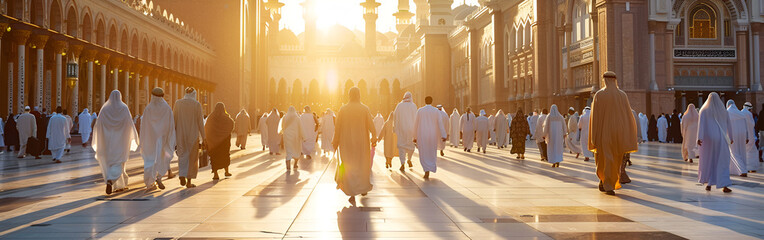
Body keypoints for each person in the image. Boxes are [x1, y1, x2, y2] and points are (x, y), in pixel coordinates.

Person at [589, 71, 638, 196]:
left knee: (603, 158)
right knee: (615, 159)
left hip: (603, 132)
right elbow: (629, 116)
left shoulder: (599, 95)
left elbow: (595, 117)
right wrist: (628, 133)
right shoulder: (622, 95)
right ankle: (609, 182)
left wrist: (594, 136)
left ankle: (605, 182)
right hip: (618, 133)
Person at [332, 87, 376, 205]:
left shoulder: (343, 109)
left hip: (346, 143)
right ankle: (362, 188)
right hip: (362, 142)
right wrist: (374, 137)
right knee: (361, 165)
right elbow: (371, 126)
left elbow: (338, 127)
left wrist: (335, 141)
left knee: (349, 165)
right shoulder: (364, 109)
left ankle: (351, 192)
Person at [93, 90, 139, 195]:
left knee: (110, 163)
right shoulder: (124, 108)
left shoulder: (104, 109)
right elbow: (129, 124)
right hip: (121, 141)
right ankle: (111, 180)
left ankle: (119, 185)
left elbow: (98, 125)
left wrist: (102, 138)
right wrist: (130, 137)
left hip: (107, 142)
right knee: (119, 162)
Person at [140, 88, 175, 192]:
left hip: (150, 139)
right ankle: (159, 177)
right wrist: (170, 138)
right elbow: (171, 126)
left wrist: (143, 140)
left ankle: (150, 183)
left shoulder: (148, 109)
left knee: (150, 160)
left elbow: (144, 126)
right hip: (162, 139)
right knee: (161, 158)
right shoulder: (167, 108)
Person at [697, 92, 733, 193]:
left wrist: (699, 138)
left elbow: (701, 125)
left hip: (708, 139)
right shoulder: (723, 111)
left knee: (709, 160)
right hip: (721, 139)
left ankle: (708, 184)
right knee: (722, 161)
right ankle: (724, 185)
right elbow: (729, 124)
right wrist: (731, 137)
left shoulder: (704, 110)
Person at [174, 87, 206, 188]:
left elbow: (174, 120)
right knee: (192, 159)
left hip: (180, 135)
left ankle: (182, 174)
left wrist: (172, 135)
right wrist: (204, 138)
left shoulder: (178, 103)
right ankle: (188, 181)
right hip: (193, 136)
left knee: (182, 155)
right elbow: (200, 123)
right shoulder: (196, 105)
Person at [413, 96, 447, 179]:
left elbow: (416, 124)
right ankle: (430, 166)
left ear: (425, 101)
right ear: (432, 101)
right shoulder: (436, 111)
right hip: (432, 135)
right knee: (431, 151)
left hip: (422, 134)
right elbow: (440, 124)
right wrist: (444, 135)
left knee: (424, 152)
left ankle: (426, 169)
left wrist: (414, 136)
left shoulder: (420, 111)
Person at [205, 102, 234, 179]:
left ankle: (215, 174)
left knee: (214, 158)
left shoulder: (211, 117)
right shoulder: (226, 117)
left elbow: (206, 128)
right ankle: (226, 171)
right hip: (224, 142)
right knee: (225, 156)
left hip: (214, 142)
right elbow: (232, 124)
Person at [393, 92, 417, 171]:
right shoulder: (413, 106)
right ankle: (409, 159)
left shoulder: (399, 106)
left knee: (401, 146)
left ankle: (402, 163)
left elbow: (395, 116)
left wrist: (395, 128)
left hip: (401, 129)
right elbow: (416, 119)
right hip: (411, 130)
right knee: (411, 146)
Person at [726, 100, 749, 177]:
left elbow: (725, 126)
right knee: (741, 152)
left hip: (732, 135)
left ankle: (742, 170)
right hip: (742, 135)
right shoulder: (741, 113)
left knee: (734, 152)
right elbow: (746, 126)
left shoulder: (727, 112)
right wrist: (747, 136)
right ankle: (735, 170)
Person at [742, 102, 758, 173]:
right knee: (752, 152)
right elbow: (752, 124)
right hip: (750, 136)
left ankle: (745, 167)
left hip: (743, 136)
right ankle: (751, 167)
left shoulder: (741, 112)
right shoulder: (748, 114)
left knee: (744, 152)